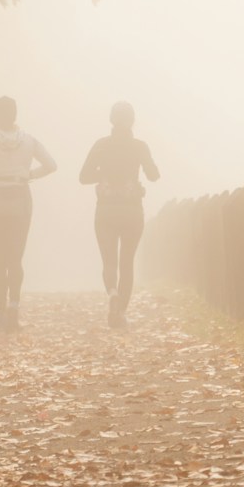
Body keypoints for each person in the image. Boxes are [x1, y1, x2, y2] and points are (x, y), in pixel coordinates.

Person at [0, 96, 56, 332]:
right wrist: (29, 174)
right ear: (15, 115)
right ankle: (14, 307)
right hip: (19, 199)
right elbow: (51, 164)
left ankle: (0, 313)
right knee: (16, 258)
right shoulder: (29, 141)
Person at [79, 101, 160, 329]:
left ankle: (112, 293)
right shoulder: (139, 146)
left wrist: (103, 174)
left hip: (105, 209)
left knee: (109, 261)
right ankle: (121, 313)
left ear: (111, 120)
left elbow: (83, 176)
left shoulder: (101, 146)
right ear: (132, 121)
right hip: (132, 210)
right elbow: (154, 175)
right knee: (127, 262)